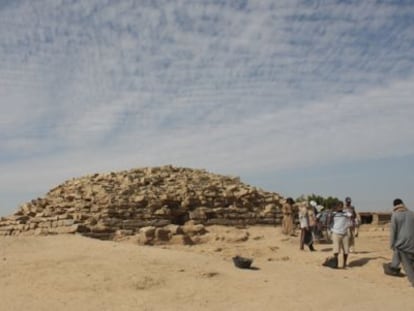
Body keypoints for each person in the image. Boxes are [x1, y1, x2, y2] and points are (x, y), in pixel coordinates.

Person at [383, 199, 414, 287]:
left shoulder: (395, 215)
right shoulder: (412, 214)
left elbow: (393, 231)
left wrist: (392, 244)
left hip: (402, 244)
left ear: (394, 206)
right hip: (412, 242)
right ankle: (394, 266)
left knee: (407, 265)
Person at [330, 201, 352, 268]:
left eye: (341, 206)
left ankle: (344, 264)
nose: (340, 207)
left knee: (346, 250)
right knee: (336, 250)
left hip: (345, 233)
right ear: (336, 207)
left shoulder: (346, 213)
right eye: (338, 206)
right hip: (336, 233)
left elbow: (353, 215)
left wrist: (351, 209)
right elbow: (329, 220)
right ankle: (335, 264)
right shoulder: (333, 214)